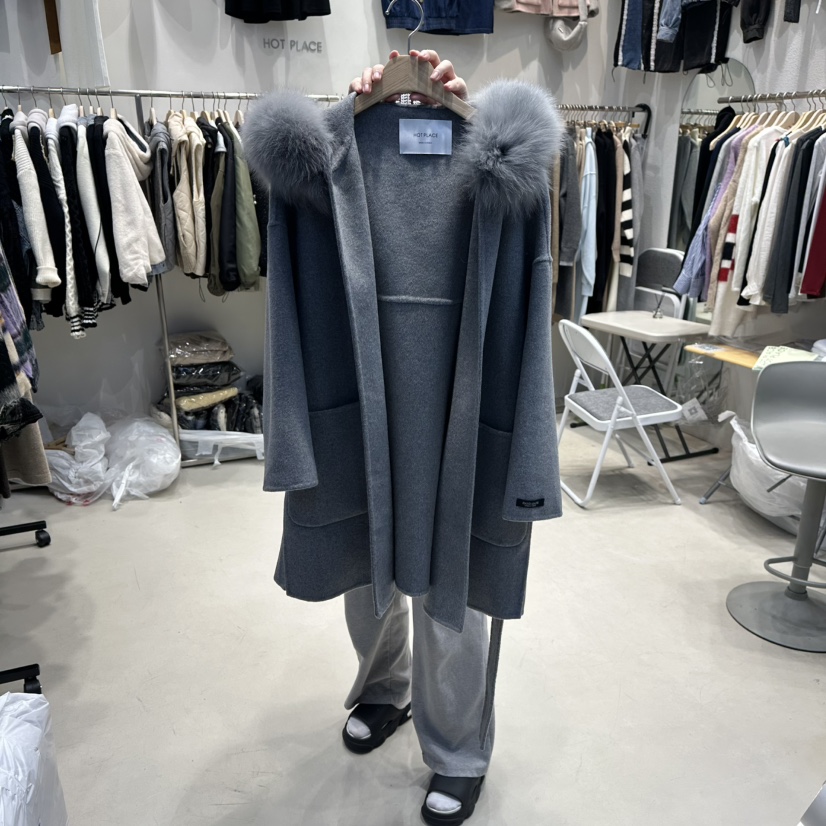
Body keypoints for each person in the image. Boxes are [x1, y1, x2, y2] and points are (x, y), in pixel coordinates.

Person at [342, 51, 486, 826]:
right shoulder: (332, 158)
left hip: (458, 399)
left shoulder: (498, 164)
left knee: (447, 581)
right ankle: (384, 688)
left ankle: (459, 748)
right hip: (360, 393)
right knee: (365, 564)